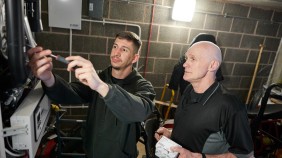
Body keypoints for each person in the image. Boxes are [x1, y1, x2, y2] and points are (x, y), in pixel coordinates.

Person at [28, 31, 156, 158]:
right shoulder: (99, 77)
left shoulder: (142, 86)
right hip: (91, 153)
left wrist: (101, 87)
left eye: (124, 49)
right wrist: (48, 78)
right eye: (115, 46)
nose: (116, 53)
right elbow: (70, 93)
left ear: (134, 58)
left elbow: (140, 111)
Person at [155, 41, 254, 158]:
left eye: (193, 59)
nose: (185, 64)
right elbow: (195, 133)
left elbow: (246, 155)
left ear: (212, 65)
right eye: (186, 58)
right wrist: (171, 136)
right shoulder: (189, 90)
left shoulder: (229, 104)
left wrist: (196, 157)